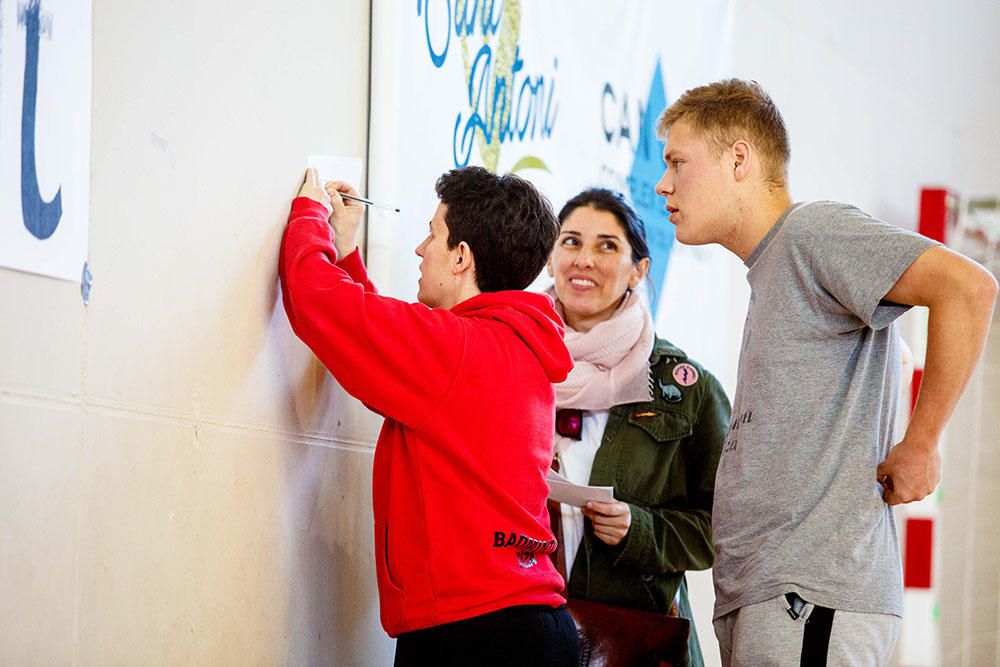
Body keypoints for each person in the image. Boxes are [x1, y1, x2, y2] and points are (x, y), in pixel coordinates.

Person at [654, 79, 999, 665]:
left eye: (678, 163)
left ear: (739, 159)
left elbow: (968, 287)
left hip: (811, 596)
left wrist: (922, 444)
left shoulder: (812, 232)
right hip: (774, 599)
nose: (664, 183)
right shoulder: (772, 268)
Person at [279, 166, 579, 666]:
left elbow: (319, 303)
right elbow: (386, 362)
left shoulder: (455, 348)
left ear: (462, 257)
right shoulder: (512, 346)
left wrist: (308, 214)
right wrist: (347, 251)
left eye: (433, 235)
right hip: (528, 628)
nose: (420, 249)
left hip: (474, 637)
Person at [546, 188, 731, 666]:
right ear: (550, 257)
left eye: (607, 245)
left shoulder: (685, 388)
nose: (584, 259)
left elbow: (725, 526)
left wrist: (640, 529)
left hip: (635, 644)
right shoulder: (514, 362)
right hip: (531, 634)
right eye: (570, 242)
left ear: (638, 270)